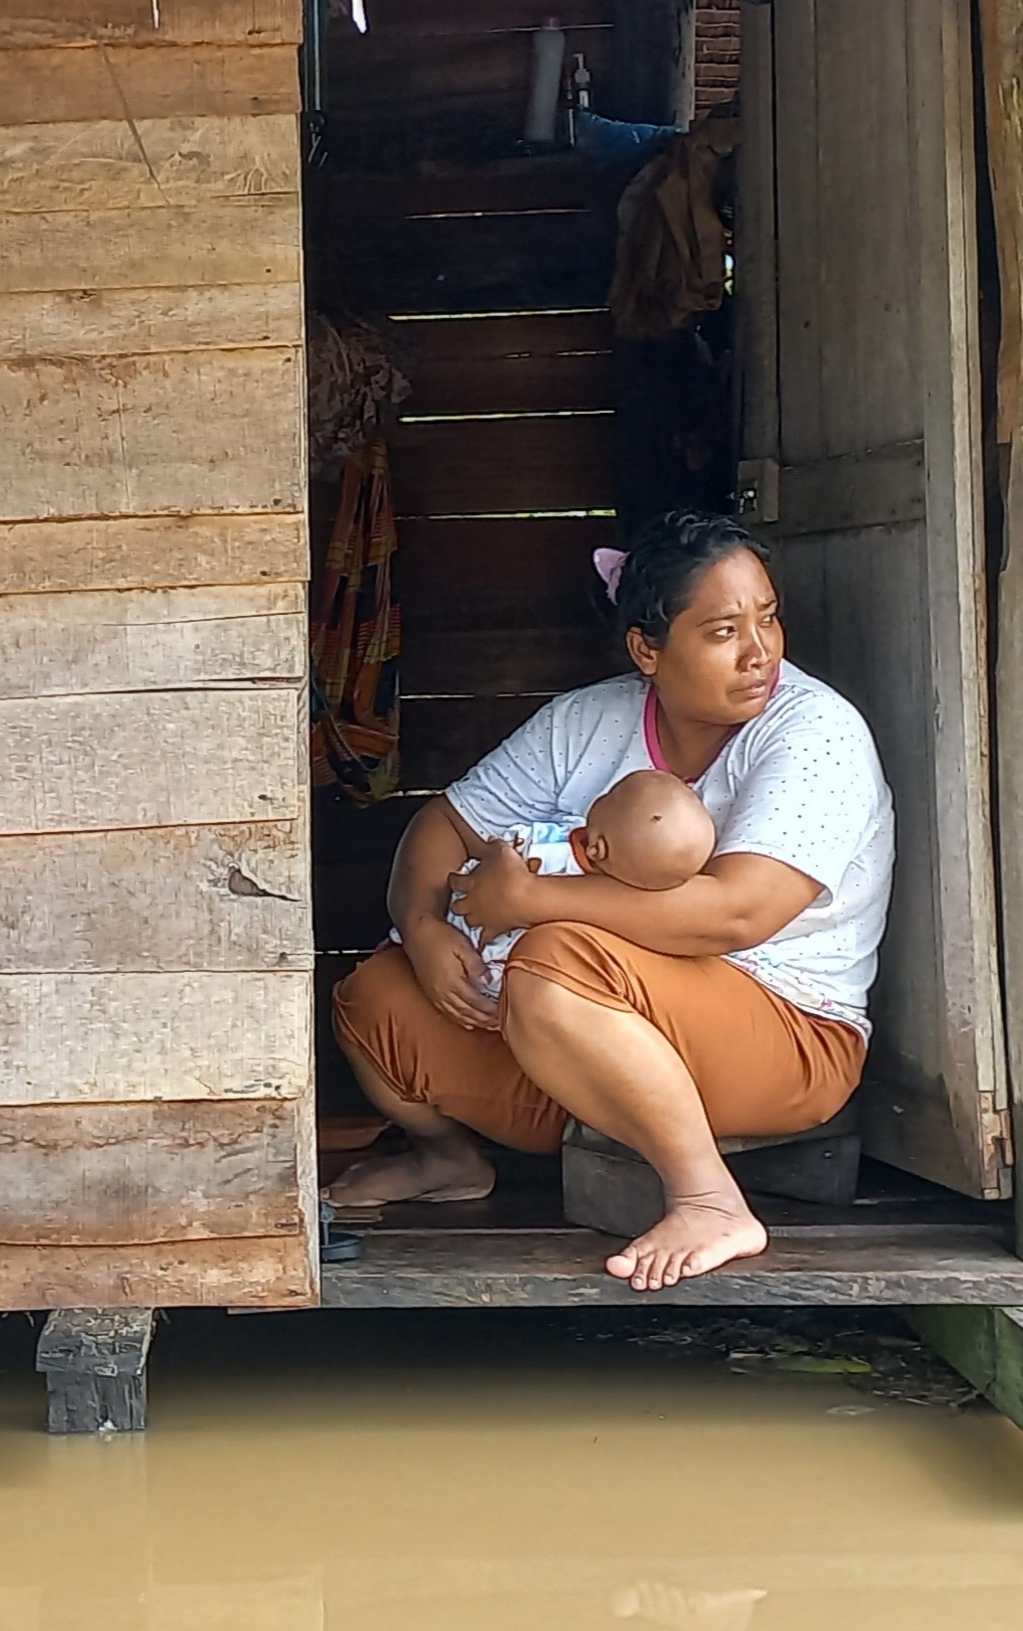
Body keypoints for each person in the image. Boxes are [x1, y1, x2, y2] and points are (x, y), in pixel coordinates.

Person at [329, 512, 895, 1290]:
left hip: (787, 1031)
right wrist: (425, 929)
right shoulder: (589, 721)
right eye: (723, 631)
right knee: (378, 996)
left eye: (767, 618)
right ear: (646, 650)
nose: (760, 651)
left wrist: (534, 897)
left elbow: (738, 912)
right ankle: (448, 1158)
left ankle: (708, 1198)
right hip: (577, 1031)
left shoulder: (814, 731)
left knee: (555, 955)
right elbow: (444, 826)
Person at [433, 769, 718, 999]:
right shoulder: (621, 916)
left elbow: (494, 855)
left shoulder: (546, 853)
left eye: (611, 796)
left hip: (478, 958)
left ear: (597, 848)